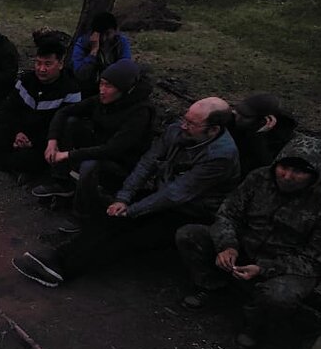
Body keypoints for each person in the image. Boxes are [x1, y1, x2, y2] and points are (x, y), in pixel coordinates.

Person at [14, 97, 239, 287]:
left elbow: (177, 193)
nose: (183, 126)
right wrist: (124, 198)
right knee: (109, 217)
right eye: (185, 119)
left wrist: (131, 210)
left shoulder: (220, 156)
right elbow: (148, 162)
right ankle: (59, 258)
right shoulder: (178, 131)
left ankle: (64, 271)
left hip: (193, 211)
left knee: (128, 237)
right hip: (165, 196)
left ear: (213, 130)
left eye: (192, 124)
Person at [176, 137, 321, 349]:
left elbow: (316, 259)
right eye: (284, 167)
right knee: (190, 235)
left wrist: (264, 268)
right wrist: (228, 246)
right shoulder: (259, 178)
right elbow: (228, 214)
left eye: (299, 172)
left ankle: (255, 325)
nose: (287, 176)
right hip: (245, 246)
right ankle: (211, 285)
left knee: (280, 297)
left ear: (315, 175)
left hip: (286, 265)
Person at [31, 59, 155, 221]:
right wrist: (52, 141)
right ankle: (62, 182)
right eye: (101, 84)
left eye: (108, 86)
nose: (102, 90)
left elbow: (112, 149)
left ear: (124, 90)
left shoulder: (140, 113)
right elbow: (64, 112)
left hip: (121, 163)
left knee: (90, 164)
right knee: (71, 122)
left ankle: (81, 214)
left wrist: (68, 155)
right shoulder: (103, 99)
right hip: (99, 146)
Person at [0, 34, 79, 180]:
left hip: (43, 143)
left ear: (60, 63)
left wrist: (32, 141)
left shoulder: (70, 89)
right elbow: (8, 110)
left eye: (47, 64)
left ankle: (19, 167)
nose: (41, 69)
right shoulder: (26, 81)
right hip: (18, 134)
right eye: (38, 63)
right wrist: (17, 133)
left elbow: (62, 127)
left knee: (33, 158)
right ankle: (17, 168)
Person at [231, 93, 298, 176]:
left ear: (265, 120)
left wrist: (257, 137)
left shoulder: (282, 140)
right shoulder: (235, 123)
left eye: (245, 117)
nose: (237, 118)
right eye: (237, 113)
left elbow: (266, 168)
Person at [71, 11, 132, 96]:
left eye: (108, 34)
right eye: (101, 34)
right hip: (89, 88)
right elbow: (81, 74)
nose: (104, 39)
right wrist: (93, 51)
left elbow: (125, 66)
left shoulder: (121, 42)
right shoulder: (83, 43)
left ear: (115, 31)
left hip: (113, 85)